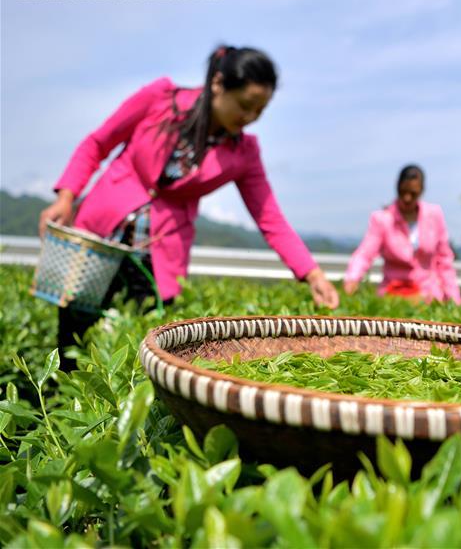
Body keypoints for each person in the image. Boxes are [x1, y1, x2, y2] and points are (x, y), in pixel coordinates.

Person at [39, 45, 339, 362]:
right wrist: (66, 196)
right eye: (245, 105)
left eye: (259, 111)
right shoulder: (160, 99)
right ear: (218, 83)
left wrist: (313, 274)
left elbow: (269, 217)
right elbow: (98, 143)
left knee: (142, 351)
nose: (250, 117)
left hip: (158, 256)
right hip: (98, 237)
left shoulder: (243, 153)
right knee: (72, 338)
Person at [343, 165, 461, 305]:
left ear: (422, 191)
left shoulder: (434, 215)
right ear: (397, 187)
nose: (407, 198)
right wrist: (352, 278)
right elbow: (364, 254)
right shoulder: (383, 219)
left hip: (428, 296)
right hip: (393, 296)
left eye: (413, 194)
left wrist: (454, 299)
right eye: (403, 192)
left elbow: (444, 260)